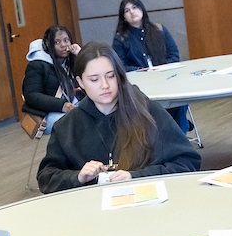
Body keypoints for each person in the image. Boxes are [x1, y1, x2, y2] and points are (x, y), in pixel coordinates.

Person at [37, 42, 200, 193]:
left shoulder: (148, 111)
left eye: (111, 76)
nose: (105, 85)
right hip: (92, 213)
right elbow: (46, 178)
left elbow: (187, 162)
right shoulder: (67, 126)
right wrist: (77, 177)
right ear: (80, 82)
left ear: (120, 76)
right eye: (94, 79)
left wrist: (135, 177)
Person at [111, 0, 189, 133]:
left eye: (135, 7)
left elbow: (174, 55)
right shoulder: (121, 38)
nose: (132, 12)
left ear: (142, 9)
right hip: (141, 84)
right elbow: (121, 65)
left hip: (166, 79)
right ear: (123, 17)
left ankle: (178, 133)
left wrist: (163, 69)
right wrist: (144, 71)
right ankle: (171, 131)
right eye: (127, 10)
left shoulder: (159, 29)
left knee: (180, 98)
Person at [21, 25, 81, 131]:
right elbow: (31, 96)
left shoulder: (71, 60)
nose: (63, 45)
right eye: (57, 42)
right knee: (77, 123)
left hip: (73, 106)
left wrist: (80, 55)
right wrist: (62, 105)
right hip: (49, 113)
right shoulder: (37, 65)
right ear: (48, 45)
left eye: (66, 40)